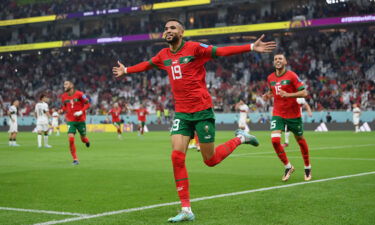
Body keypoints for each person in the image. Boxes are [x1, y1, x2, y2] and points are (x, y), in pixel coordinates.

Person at [113, 18, 275, 222]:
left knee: (211, 160)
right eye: (165, 28)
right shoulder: (163, 55)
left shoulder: (194, 48)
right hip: (182, 113)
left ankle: (241, 138)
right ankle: (186, 209)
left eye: (172, 28)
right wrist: (126, 70)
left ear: (182, 32)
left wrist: (251, 46)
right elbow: (147, 65)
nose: (168, 30)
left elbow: (221, 51)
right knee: (176, 157)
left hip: (202, 111)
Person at [263, 53, 311, 182]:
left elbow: (304, 92)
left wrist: (288, 95)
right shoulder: (270, 77)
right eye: (275, 59)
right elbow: (273, 91)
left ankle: (307, 167)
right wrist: (268, 95)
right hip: (278, 113)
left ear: (285, 62)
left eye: (280, 59)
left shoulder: (292, 75)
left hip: (293, 114)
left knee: (300, 140)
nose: (277, 60)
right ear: (273, 62)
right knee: (274, 141)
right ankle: (288, 166)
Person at [60, 80, 91, 165]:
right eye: (64, 84)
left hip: (81, 120)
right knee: (71, 138)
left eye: (66, 84)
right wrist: (60, 111)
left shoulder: (80, 94)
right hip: (71, 121)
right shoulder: (63, 96)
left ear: (71, 85)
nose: (64, 86)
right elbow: (64, 107)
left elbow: (88, 104)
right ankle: (75, 159)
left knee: (83, 138)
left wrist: (81, 111)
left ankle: (87, 141)